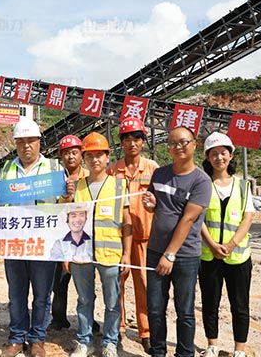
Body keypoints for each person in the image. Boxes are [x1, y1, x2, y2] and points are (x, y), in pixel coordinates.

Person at [0, 119, 63, 357]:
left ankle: (37, 339)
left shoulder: (54, 168)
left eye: (31, 141)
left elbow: (64, 205)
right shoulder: (7, 169)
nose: (26, 146)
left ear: (39, 142)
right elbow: (1, 206)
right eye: (21, 142)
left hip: (43, 242)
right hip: (15, 242)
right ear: (15, 144)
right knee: (16, 294)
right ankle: (16, 338)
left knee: (42, 295)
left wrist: (68, 195)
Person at [142, 126, 212, 357]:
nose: (178, 147)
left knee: (184, 311)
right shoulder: (159, 174)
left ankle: (184, 353)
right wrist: (150, 205)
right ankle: (158, 352)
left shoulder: (201, 181)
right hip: (155, 250)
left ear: (194, 144)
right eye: (172, 143)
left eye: (183, 142)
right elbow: (156, 206)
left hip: (184, 255)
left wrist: (169, 254)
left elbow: (188, 219)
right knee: (155, 308)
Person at [64, 132, 132, 357]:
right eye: (89, 156)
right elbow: (67, 222)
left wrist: (127, 254)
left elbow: (127, 222)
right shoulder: (77, 187)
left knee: (112, 302)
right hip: (81, 252)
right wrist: (67, 254)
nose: (94, 160)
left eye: (99, 155)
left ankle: (110, 342)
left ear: (107, 157)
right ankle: (85, 341)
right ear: (84, 159)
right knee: (84, 300)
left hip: (110, 253)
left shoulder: (119, 186)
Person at [199, 132, 254, 357]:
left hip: (238, 256)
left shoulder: (242, 185)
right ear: (207, 157)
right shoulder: (203, 184)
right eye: (214, 154)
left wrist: (231, 245)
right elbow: (198, 218)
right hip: (209, 255)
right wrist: (212, 245)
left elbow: (247, 218)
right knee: (210, 303)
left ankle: (239, 349)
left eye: (223, 153)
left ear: (231, 155)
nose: (219, 158)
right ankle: (212, 345)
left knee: (239, 305)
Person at [107, 117, 159, 353]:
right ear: (122, 142)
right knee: (116, 284)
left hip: (145, 237)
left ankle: (145, 332)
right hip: (117, 237)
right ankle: (117, 328)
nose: (132, 143)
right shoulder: (112, 170)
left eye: (136, 138)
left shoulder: (152, 168)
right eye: (127, 139)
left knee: (144, 285)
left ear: (143, 141)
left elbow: (162, 201)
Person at [49, 135, 89, 332]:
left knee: (85, 284)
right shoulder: (55, 179)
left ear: (81, 154)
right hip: (61, 236)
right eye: (66, 153)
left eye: (74, 152)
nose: (70, 157)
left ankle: (88, 321)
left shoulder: (90, 176)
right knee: (59, 282)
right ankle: (58, 319)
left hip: (84, 237)